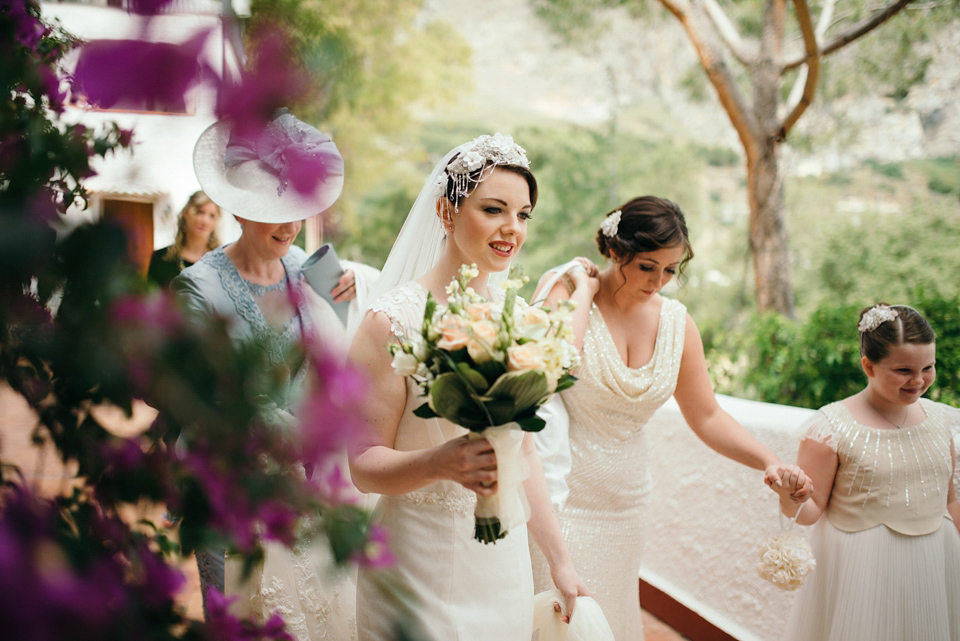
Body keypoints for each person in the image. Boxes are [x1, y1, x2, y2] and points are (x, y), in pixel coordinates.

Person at [529, 196, 811, 641]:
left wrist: (768, 461)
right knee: (560, 621)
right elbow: (552, 370)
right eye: (647, 266)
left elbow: (707, 415)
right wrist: (584, 293)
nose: (659, 281)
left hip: (626, 502)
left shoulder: (678, 324)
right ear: (615, 250)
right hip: (562, 497)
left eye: (671, 270)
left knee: (612, 614)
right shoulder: (568, 292)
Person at [348, 134, 591, 640]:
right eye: (494, 209)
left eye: (524, 214)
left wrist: (561, 563)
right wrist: (439, 463)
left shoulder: (523, 323)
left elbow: (525, 459)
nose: (512, 229)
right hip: (412, 561)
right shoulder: (390, 322)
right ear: (446, 210)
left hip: (500, 563)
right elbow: (362, 465)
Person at [173, 110, 361, 639]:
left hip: (309, 487)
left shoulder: (317, 267)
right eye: (274, 210)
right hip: (226, 483)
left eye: (298, 210)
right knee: (236, 619)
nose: (289, 224)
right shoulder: (195, 287)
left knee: (305, 617)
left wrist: (352, 294)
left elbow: (348, 354)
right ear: (238, 206)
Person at [778, 304, 960, 641]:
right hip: (863, 572)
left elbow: (950, 500)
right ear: (868, 365)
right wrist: (790, 496)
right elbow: (811, 511)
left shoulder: (941, 421)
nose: (918, 380)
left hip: (935, 562)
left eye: (928, 367)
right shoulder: (831, 427)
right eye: (904, 369)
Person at [147, 191, 222, 288]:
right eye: (200, 212)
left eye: (212, 216)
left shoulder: (222, 262)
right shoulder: (161, 257)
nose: (205, 221)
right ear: (185, 213)